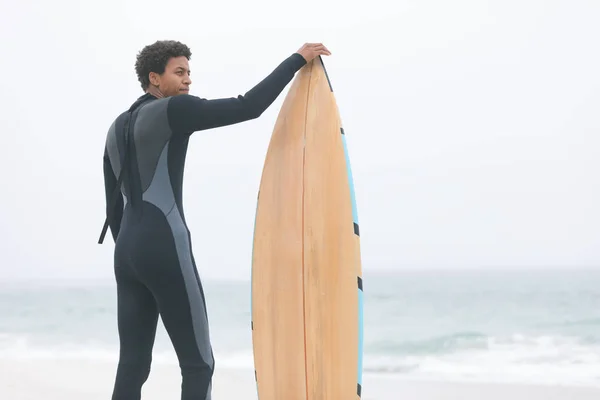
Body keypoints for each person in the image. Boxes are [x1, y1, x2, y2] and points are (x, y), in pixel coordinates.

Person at [99, 40, 331, 400]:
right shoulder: (175, 110)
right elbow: (248, 106)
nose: (188, 80)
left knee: (132, 363)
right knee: (198, 364)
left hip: (127, 252)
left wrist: (135, 252)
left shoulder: (116, 128)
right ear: (154, 79)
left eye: (189, 72)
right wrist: (296, 60)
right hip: (164, 242)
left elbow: (113, 208)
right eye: (179, 72)